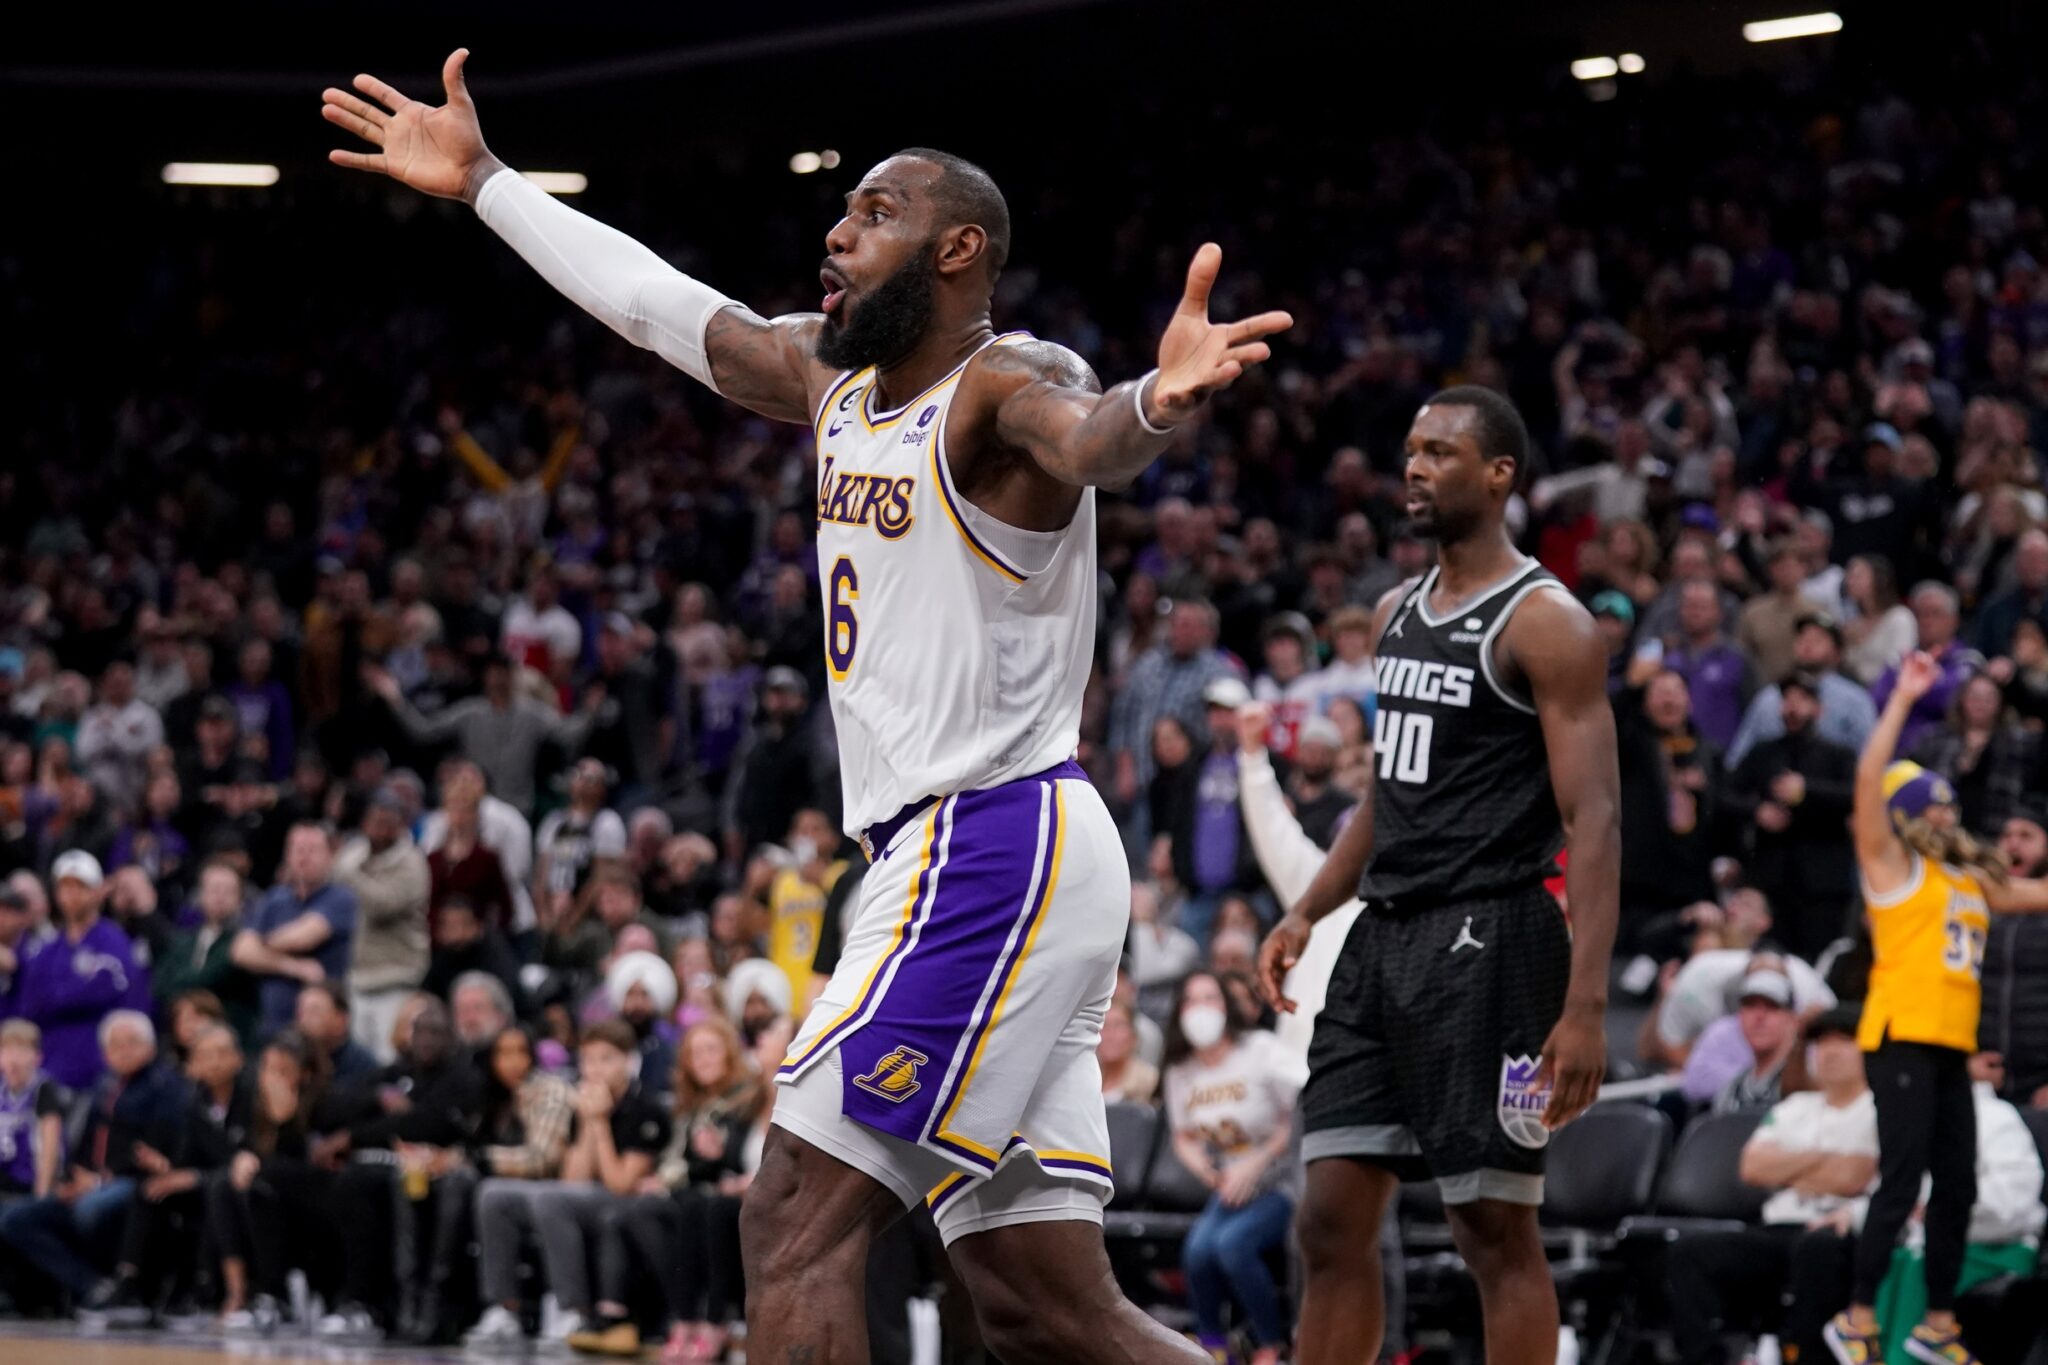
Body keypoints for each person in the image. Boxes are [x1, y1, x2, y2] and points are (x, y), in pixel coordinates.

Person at [324, 47, 1292, 1365]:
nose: (835, 234)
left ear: (958, 251)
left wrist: (1153, 407)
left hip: (988, 844)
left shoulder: (1002, 383)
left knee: (790, 1219)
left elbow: (1086, 435)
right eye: (841, 212)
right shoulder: (831, 382)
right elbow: (661, 308)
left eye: (873, 214)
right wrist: (489, 181)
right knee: (1044, 1308)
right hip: (976, 858)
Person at [1256, 388, 1620, 1365]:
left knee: (1490, 1229)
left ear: (1499, 475)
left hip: (1493, 937)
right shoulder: (1394, 612)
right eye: (1411, 450)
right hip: (1382, 937)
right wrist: (1307, 908)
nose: (1414, 468)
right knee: (1327, 1216)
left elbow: (1594, 820)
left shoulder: (1547, 623)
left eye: (1440, 452)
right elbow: (1390, 795)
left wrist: (1585, 1005)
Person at [1825, 649, 2048, 1365]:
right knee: (1902, 1179)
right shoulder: (1893, 867)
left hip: (1951, 1044)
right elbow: (1868, 779)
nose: (1950, 812)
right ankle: (1858, 1317)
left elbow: (2038, 893)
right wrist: (1902, 698)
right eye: (1937, 803)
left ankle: (1938, 1323)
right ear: (1908, 814)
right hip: (1901, 1036)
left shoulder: (1967, 878)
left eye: (1952, 803)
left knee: (1959, 1183)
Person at [1665, 1007, 1876, 1365]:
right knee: (1689, 1252)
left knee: (1818, 1250)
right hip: (1779, 1227)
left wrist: (1788, 1166)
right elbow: (1752, 1167)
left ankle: (1804, 1358)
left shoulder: (1880, 1110)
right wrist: (1829, 1159)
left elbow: (1854, 1175)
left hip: (1839, 1231)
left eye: (1844, 1041)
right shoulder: (1795, 1106)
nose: (1830, 1052)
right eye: (1822, 1042)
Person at [466, 1020, 672, 1350]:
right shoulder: (585, 1103)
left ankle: (571, 1309)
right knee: (494, 1194)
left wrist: (600, 1123)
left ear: (628, 1060)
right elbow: (573, 1179)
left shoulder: (645, 1107)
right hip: (586, 1195)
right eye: (588, 1060)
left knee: (549, 1199)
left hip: (626, 1202)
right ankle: (504, 1308)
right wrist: (589, 1120)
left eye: (606, 1059)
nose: (595, 1069)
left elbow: (621, 1183)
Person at [1162, 972, 1304, 1364]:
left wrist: (1256, 1164)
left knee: (1232, 1246)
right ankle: (1213, 1346)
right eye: (1192, 1000)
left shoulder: (1260, 1050)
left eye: (1210, 997)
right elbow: (1183, 1135)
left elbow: (1297, 1115)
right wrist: (1208, 1173)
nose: (1201, 1008)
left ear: (1226, 1005)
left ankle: (1271, 1344)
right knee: (1196, 1252)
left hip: (1282, 1180)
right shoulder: (1180, 1070)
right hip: (1230, 1186)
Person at [0, 1010, 184, 1312]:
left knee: (89, 1210)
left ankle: (127, 1287)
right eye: (115, 1045)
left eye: (132, 1042)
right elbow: (83, 1146)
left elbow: (150, 1152)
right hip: (90, 1183)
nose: (123, 1050)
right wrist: (72, 1179)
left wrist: (98, 1180)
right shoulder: (104, 1086)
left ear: (151, 1047)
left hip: (133, 1181)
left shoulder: (163, 1087)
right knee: (16, 1221)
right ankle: (91, 1287)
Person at [1723, 672, 1860, 961]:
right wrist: (1757, 811)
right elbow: (1725, 795)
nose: (1793, 707)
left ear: (1819, 709)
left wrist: (1806, 790)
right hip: (1772, 879)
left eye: (1802, 699)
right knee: (1768, 956)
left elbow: (1855, 797)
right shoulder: (1763, 753)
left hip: (1823, 884)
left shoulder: (1839, 755)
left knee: (1819, 958)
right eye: (1787, 699)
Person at [17, 849, 147, 1089]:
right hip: (50, 1067)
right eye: (65, 887)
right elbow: (30, 1005)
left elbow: (116, 992)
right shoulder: (47, 950)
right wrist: (77, 992)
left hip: (100, 1069)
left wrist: (59, 997)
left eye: (80, 887)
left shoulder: (113, 941)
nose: (72, 895)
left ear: (98, 891)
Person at [232, 822, 359, 1033]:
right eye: (298, 850)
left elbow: (300, 939)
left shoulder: (341, 898)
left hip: (320, 1026)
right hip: (271, 1023)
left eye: (312, 850)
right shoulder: (274, 898)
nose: (304, 857)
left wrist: (261, 944)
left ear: (330, 856)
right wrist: (294, 967)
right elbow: (240, 951)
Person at [335, 789, 431, 1062]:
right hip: (358, 977)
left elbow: (382, 904)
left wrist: (349, 876)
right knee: (359, 1059)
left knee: (389, 1057)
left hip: (396, 978)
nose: (380, 828)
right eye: (375, 821)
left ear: (401, 825)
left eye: (388, 822)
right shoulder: (354, 855)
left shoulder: (412, 862)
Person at [293, 981, 378, 1083]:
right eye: (301, 1012)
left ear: (341, 1019)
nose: (305, 1020)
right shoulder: (294, 1059)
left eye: (314, 1012)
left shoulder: (364, 1066)